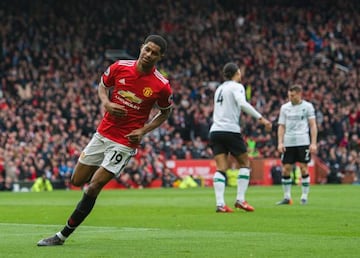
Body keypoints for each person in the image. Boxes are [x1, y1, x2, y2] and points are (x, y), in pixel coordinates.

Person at [37, 34, 173, 246]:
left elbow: (165, 113)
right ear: (141, 47)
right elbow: (102, 85)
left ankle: (62, 235)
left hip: (126, 141)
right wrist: (106, 103)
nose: (149, 55)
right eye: (147, 49)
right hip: (103, 133)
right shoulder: (119, 67)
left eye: (154, 53)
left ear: (160, 57)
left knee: (93, 187)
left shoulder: (161, 85)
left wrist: (143, 131)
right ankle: (87, 191)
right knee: (77, 181)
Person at [209, 62, 272, 213]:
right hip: (230, 130)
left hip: (215, 130)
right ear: (237, 73)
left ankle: (220, 204)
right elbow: (242, 104)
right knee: (245, 164)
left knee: (221, 168)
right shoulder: (237, 86)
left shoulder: (219, 88)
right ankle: (240, 200)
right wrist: (261, 118)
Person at [276, 84, 317, 205]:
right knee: (286, 169)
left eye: (292, 95)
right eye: (289, 95)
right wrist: (280, 142)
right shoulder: (284, 108)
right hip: (288, 142)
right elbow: (281, 126)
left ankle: (304, 196)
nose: (290, 98)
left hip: (303, 141)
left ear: (299, 94)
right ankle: (287, 197)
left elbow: (313, 125)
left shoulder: (308, 106)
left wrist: (313, 143)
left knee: (303, 168)